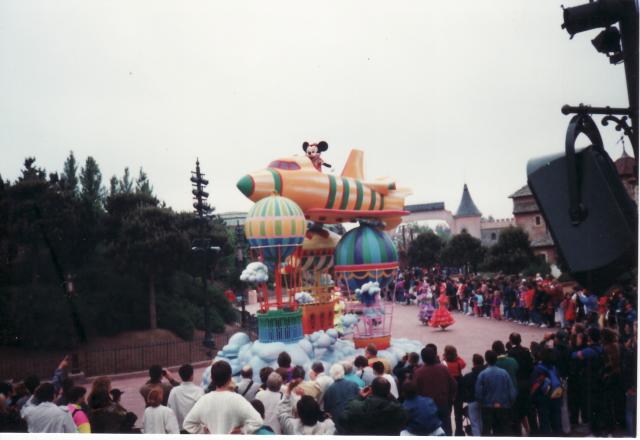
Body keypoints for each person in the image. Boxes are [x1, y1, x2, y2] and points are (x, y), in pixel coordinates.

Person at [183, 360, 263, 434]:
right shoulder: (237, 399)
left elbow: (187, 424)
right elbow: (258, 421)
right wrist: (242, 430)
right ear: (230, 378)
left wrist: (204, 430)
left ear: (212, 378)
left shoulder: (204, 400)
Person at [339, 377, 408, 435]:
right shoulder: (397, 411)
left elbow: (342, 419)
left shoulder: (355, 407)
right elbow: (405, 420)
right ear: (388, 392)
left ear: (371, 390)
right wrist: (390, 395)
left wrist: (359, 397)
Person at [412, 346, 457, 436]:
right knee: (446, 429)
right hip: (443, 404)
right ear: (434, 356)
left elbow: (415, 391)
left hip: (427, 408)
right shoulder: (443, 368)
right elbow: (454, 385)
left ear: (423, 359)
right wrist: (450, 399)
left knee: (430, 431)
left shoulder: (419, 372)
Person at [475, 350, 517, 436]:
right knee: (503, 431)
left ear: (486, 360)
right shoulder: (504, 373)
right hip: (503, 406)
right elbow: (512, 391)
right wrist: (509, 403)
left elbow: (478, 393)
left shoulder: (482, 374)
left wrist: (482, 403)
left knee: (486, 431)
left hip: (487, 407)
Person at [322, 364, 359, 432]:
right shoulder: (354, 385)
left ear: (331, 375)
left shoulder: (329, 391)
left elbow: (327, 410)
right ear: (343, 372)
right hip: (354, 420)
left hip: (339, 424)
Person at [167, 363, 204, 431]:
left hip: (179, 430)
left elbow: (169, 411)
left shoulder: (174, 392)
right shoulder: (199, 391)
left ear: (180, 376)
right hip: (195, 430)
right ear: (192, 375)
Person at [443, 345, 466, 436]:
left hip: (448, 391)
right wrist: (457, 356)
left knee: (447, 414)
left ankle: (448, 432)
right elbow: (463, 363)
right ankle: (459, 432)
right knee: (458, 414)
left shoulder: (445, 364)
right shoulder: (459, 363)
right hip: (458, 390)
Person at [460, 354, 485, 436]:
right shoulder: (486, 374)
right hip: (485, 401)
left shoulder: (468, 376)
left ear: (473, 363)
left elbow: (463, 389)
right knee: (482, 421)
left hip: (472, 401)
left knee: (474, 423)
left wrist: (466, 399)